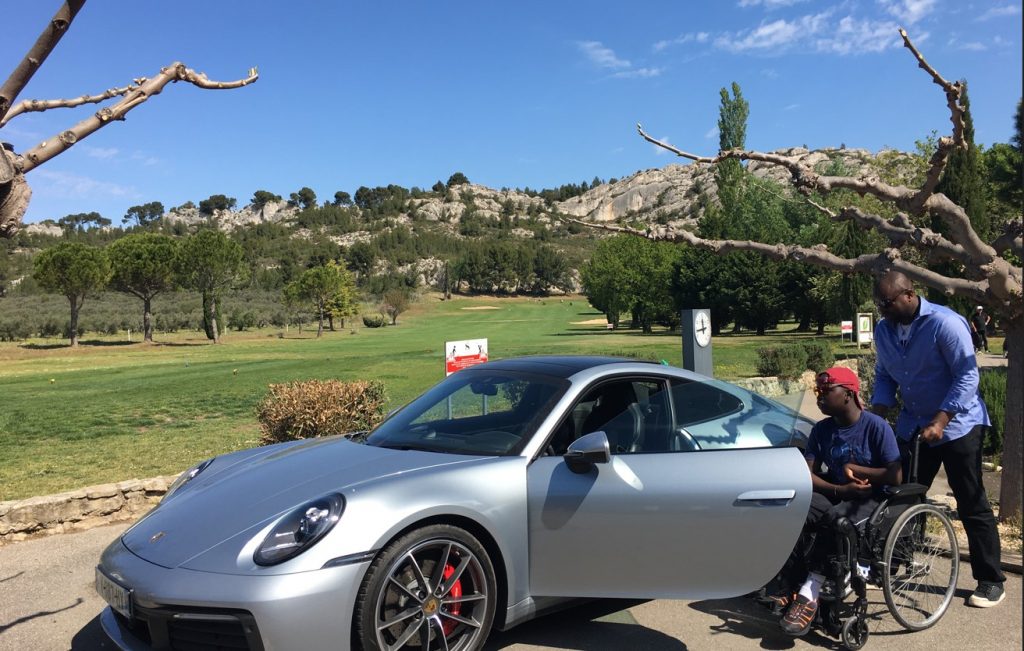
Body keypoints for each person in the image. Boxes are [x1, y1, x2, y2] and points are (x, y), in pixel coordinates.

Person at [871, 270, 1004, 607]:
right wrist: (879, 410)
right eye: (879, 305)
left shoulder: (946, 323)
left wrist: (942, 418)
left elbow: (967, 375)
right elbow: (885, 375)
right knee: (905, 497)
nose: (882, 311)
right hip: (914, 425)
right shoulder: (884, 329)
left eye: (886, 304)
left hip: (957, 424)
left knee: (971, 502)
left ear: (909, 294)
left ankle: (990, 580)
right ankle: (898, 565)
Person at [776, 366, 902, 636]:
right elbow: (806, 475)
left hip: (874, 497)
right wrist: (839, 489)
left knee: (835, 519)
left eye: (825, 391)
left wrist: (857, 471)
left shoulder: (876, 427)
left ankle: (809, 595)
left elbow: (895, 475)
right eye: (816, 392)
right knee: (794, 508)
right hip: (840, 493)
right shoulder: (822, 430)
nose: (819, 397)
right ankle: (787, 582)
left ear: (847, 394)